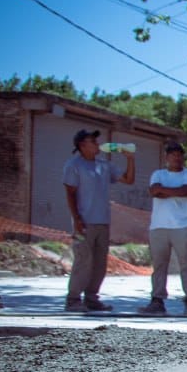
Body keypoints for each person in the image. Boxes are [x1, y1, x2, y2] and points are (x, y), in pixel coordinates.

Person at [63, 128, 135, 312]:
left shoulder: (104, 165)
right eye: (92, 142)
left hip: (103, 221)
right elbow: (70, 193)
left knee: (99, 263)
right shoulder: (74, 165)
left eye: (97, 141)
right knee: (83, 261)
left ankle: (91, 298)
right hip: (84, 222)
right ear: (82, 145)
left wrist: (130, 158)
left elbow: (128, 179)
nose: (97, 145)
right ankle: (73, 299)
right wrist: (76, 219)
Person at [139, 141, 187, 317]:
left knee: (186, 263)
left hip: (182, 225)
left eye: (179, 155)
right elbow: (154, 191)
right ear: (166, 158)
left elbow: (185, 190)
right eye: (172, 155)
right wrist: (178, 192)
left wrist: (165, 192)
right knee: (159, 265)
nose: (176, 158)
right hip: (158, 225)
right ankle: (157, 299)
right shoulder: (158, 174)